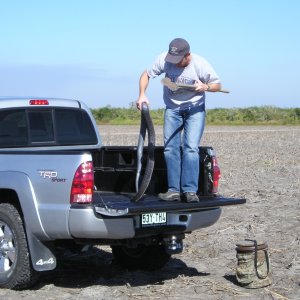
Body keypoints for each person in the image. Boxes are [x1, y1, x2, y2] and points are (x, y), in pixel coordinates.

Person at [136, 38, 221, 203]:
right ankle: (173, 191)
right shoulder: (164, 59)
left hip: (195, 109)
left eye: (178, 60)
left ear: (187, 55)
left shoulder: (200, 64)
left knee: (190, 148)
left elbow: (217, 85)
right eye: (172, 59)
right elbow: (145, 74)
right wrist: (141, 94)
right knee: (170, 149)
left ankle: (190, 191)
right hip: (172, 109)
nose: (173, 63)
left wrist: (206, 87)